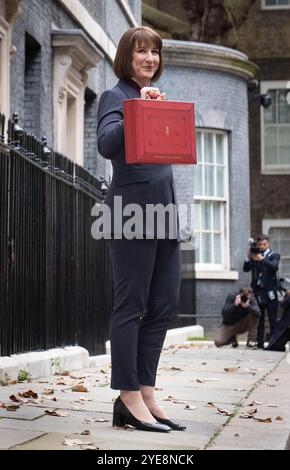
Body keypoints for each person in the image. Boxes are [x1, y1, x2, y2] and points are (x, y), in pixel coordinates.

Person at [96, 26, 185, 432]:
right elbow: (107, 144)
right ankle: (127, 395)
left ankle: (146, 390)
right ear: (126, 57)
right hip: (130, 213)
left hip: (164, 214)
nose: (150, 58)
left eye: (155, 51)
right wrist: (140, 110)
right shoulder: (117, 97)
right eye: (141, 51)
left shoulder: (154, 99)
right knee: (130, 304)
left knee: (163, 303)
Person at [243, 234, 280, 349]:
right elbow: (246, 268)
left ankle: (273, 343)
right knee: (260, 318)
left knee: (273, 318)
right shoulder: (255, 256)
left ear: (268, 244)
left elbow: (274, 267)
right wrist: (248, 257)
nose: (262, 246)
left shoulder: (274, 255)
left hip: (270, 291)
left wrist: (262, 259)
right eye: (260, 244)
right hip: (258, 291)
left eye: (264, 244)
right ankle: (260, 343)